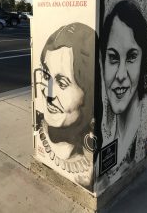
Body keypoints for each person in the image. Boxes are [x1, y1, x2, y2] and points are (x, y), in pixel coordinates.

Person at [34, 22, 102, 192]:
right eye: (45, 75)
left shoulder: (89, 159)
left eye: (62, 83)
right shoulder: (38, 128)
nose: (48, 93)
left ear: (89, 91)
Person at [100, 0, 147, 177]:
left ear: (144, 61)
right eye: (113, 57)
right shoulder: (103, 139)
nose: (121, 75)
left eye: (132, 57)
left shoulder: (139, 139)